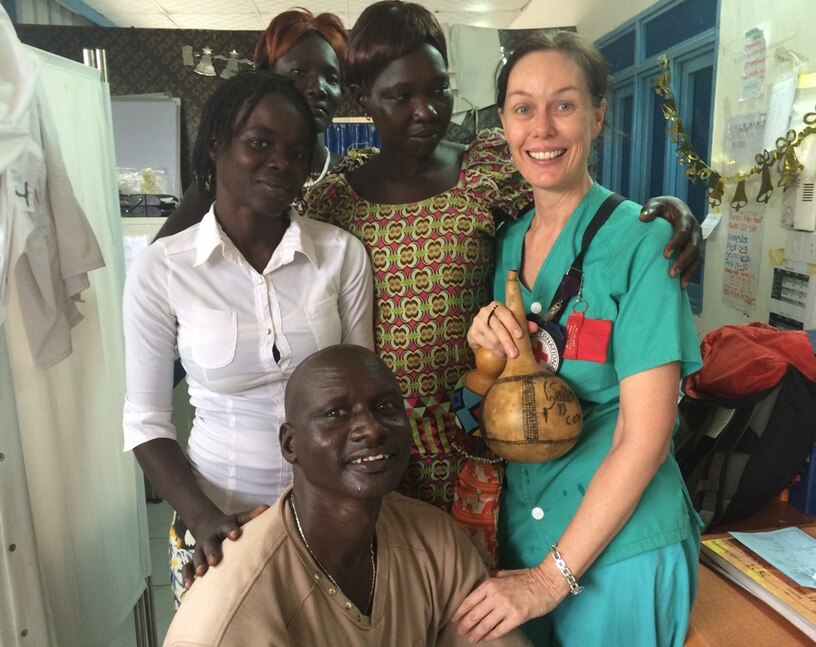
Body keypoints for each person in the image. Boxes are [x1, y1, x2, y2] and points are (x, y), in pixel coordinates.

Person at [305, 0, 704, 513]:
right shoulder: (334, 203)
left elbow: (570, 196)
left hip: (482, 426)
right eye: (400, 96)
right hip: (375, 440)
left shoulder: (484, 169)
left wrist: (668, 208)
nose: (424, 111)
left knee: (477, 579)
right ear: (362, 98)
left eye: (438, 90)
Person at [450, 30, 703, 646]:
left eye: (563, 104)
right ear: (503, 124)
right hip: (524, 535)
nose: (542, 128)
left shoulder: (645, 244)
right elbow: (479, 409)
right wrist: (483, 365)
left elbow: (644, 438)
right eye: (522, 108)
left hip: (620, 551)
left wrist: (546, 580)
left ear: (596, 116)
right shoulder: (505, 243)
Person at [122, 71, 373, 606]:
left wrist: (356, 505)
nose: (280, 161)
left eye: (297, 151)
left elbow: (360, 398)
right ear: (217, 144)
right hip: (218, 516)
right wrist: (204, 518)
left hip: (329, 514)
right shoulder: (163, 269)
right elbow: (145, 420)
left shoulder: (341, 255)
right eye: (259, 143)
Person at [162, 345, 530, 646]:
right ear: (291, 445)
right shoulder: (230, 611)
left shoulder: (433, 540)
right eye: (335, 413)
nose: (370, 428)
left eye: (385, 407)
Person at [153, 8, 347, 240]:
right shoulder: (226, 178)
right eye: (299, 71)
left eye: (332, 78)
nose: (318, 88)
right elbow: (166, 259)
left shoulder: (352, 175)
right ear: (266, 76)